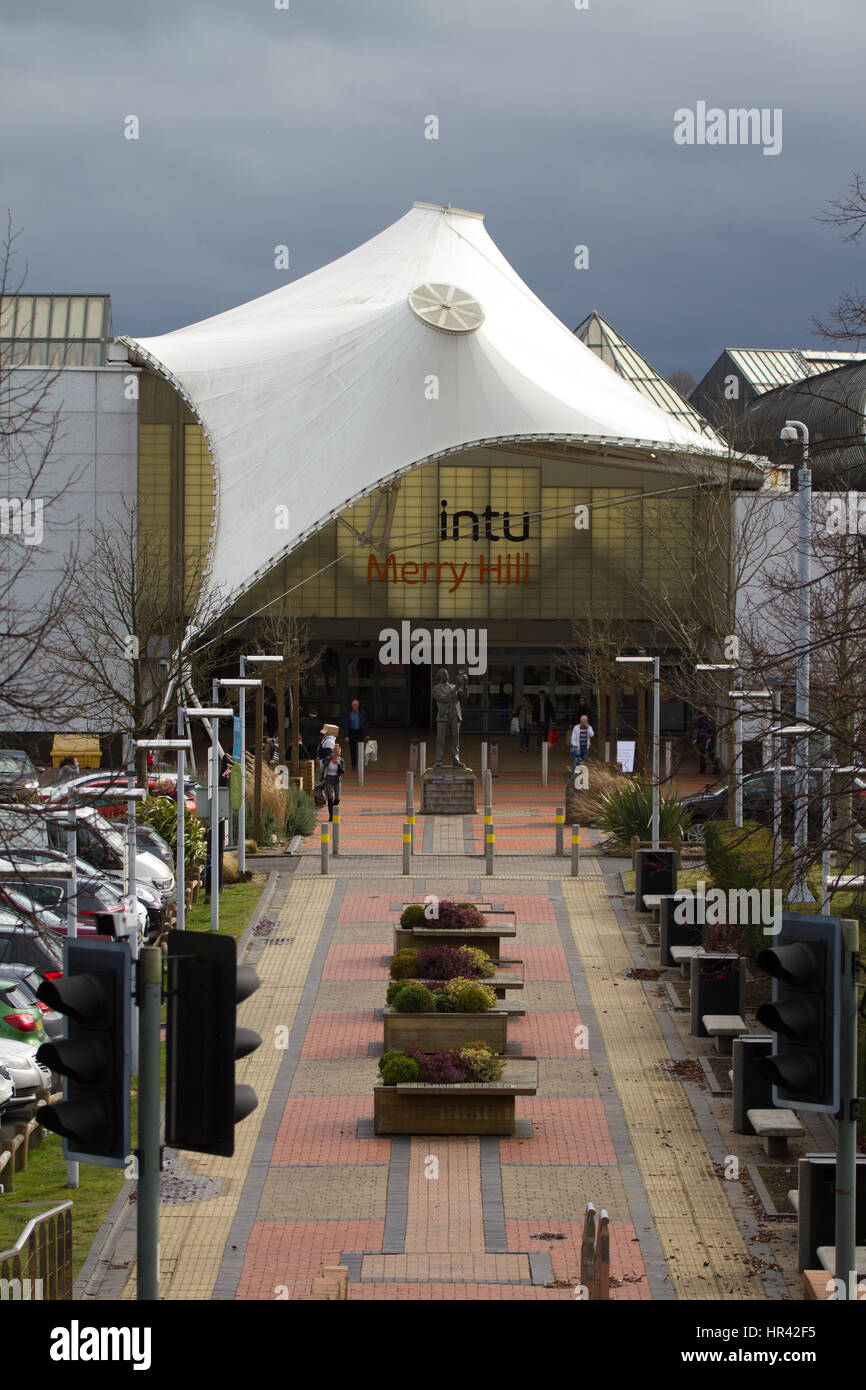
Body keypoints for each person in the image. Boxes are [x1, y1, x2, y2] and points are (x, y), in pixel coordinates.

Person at [693, 705, 721, 776]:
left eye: (705, 709)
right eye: (702, 708)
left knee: (711, 754)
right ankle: (702, 770)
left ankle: (715, 770)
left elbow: (712, 729)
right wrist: (695, 738)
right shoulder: (698, 719)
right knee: (701, 754)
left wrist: (710, 737)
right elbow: (696, 729)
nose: (703, 710)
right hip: (701, 738)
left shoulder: (709, 718)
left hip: (708, 739)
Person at [343, 699, 370, 771]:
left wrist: (367, 734)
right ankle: (354, 764)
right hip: (351, 732)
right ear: (351, 706)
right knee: (352, 749)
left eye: (356, 705)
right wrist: (346, 735)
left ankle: (360, 763)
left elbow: (365, 723)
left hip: (360, 732)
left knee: (361, 749)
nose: (355, 706)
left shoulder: (362, 713)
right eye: (353, 705)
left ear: (358, 705)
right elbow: (346, 724)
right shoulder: (349, 713)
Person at [323, 740, 345, 822]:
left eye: (338, 755)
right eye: (335, 755)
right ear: (333, 753)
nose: (337, 756)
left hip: (337, 779)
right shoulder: (328, 759)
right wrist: (322, 780)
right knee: (330, 797)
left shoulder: (341, 760)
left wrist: (339, 764)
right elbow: (323, 769)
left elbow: (343, 771)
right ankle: (331, 815)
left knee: (337, 798)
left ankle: (333, 809)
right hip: (328, 779)